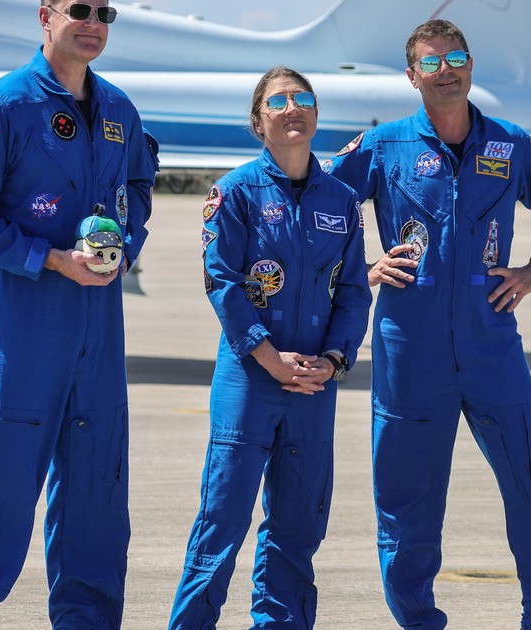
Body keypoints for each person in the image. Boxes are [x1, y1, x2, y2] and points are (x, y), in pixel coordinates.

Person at [325, 19, 531, 630]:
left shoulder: (510, 144)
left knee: (529, 485)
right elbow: (317, 200)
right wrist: (362, 269)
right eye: (431, 61)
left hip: (491, 341)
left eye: (456, 57)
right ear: (411, 75)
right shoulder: (384, 145)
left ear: (471, 66)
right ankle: (418, 619)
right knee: (406, 501)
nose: (445, 70)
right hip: (409, 348)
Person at [0, 1, 158, 627]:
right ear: (45, 15)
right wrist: (49, 258)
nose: (93, 23)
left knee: (97, 486)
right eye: (79, 9)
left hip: (98, 323)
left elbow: (138, 187)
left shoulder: (119, 110)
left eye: (105, 13)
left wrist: (123, 246)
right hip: (23, 322)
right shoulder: (4, 106)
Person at [168, 67, 371, 629]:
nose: (292, 109)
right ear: (258, 122)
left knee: (299, 527)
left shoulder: (343, 201)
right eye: (277, 102)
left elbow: (354, 292)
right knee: (222, 522)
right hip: (250, 377)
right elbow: (222, 282)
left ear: (316, 114)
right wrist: (268, 357)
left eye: (302, 98)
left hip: (312, 383)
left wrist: (333, 361)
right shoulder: (234, 192)